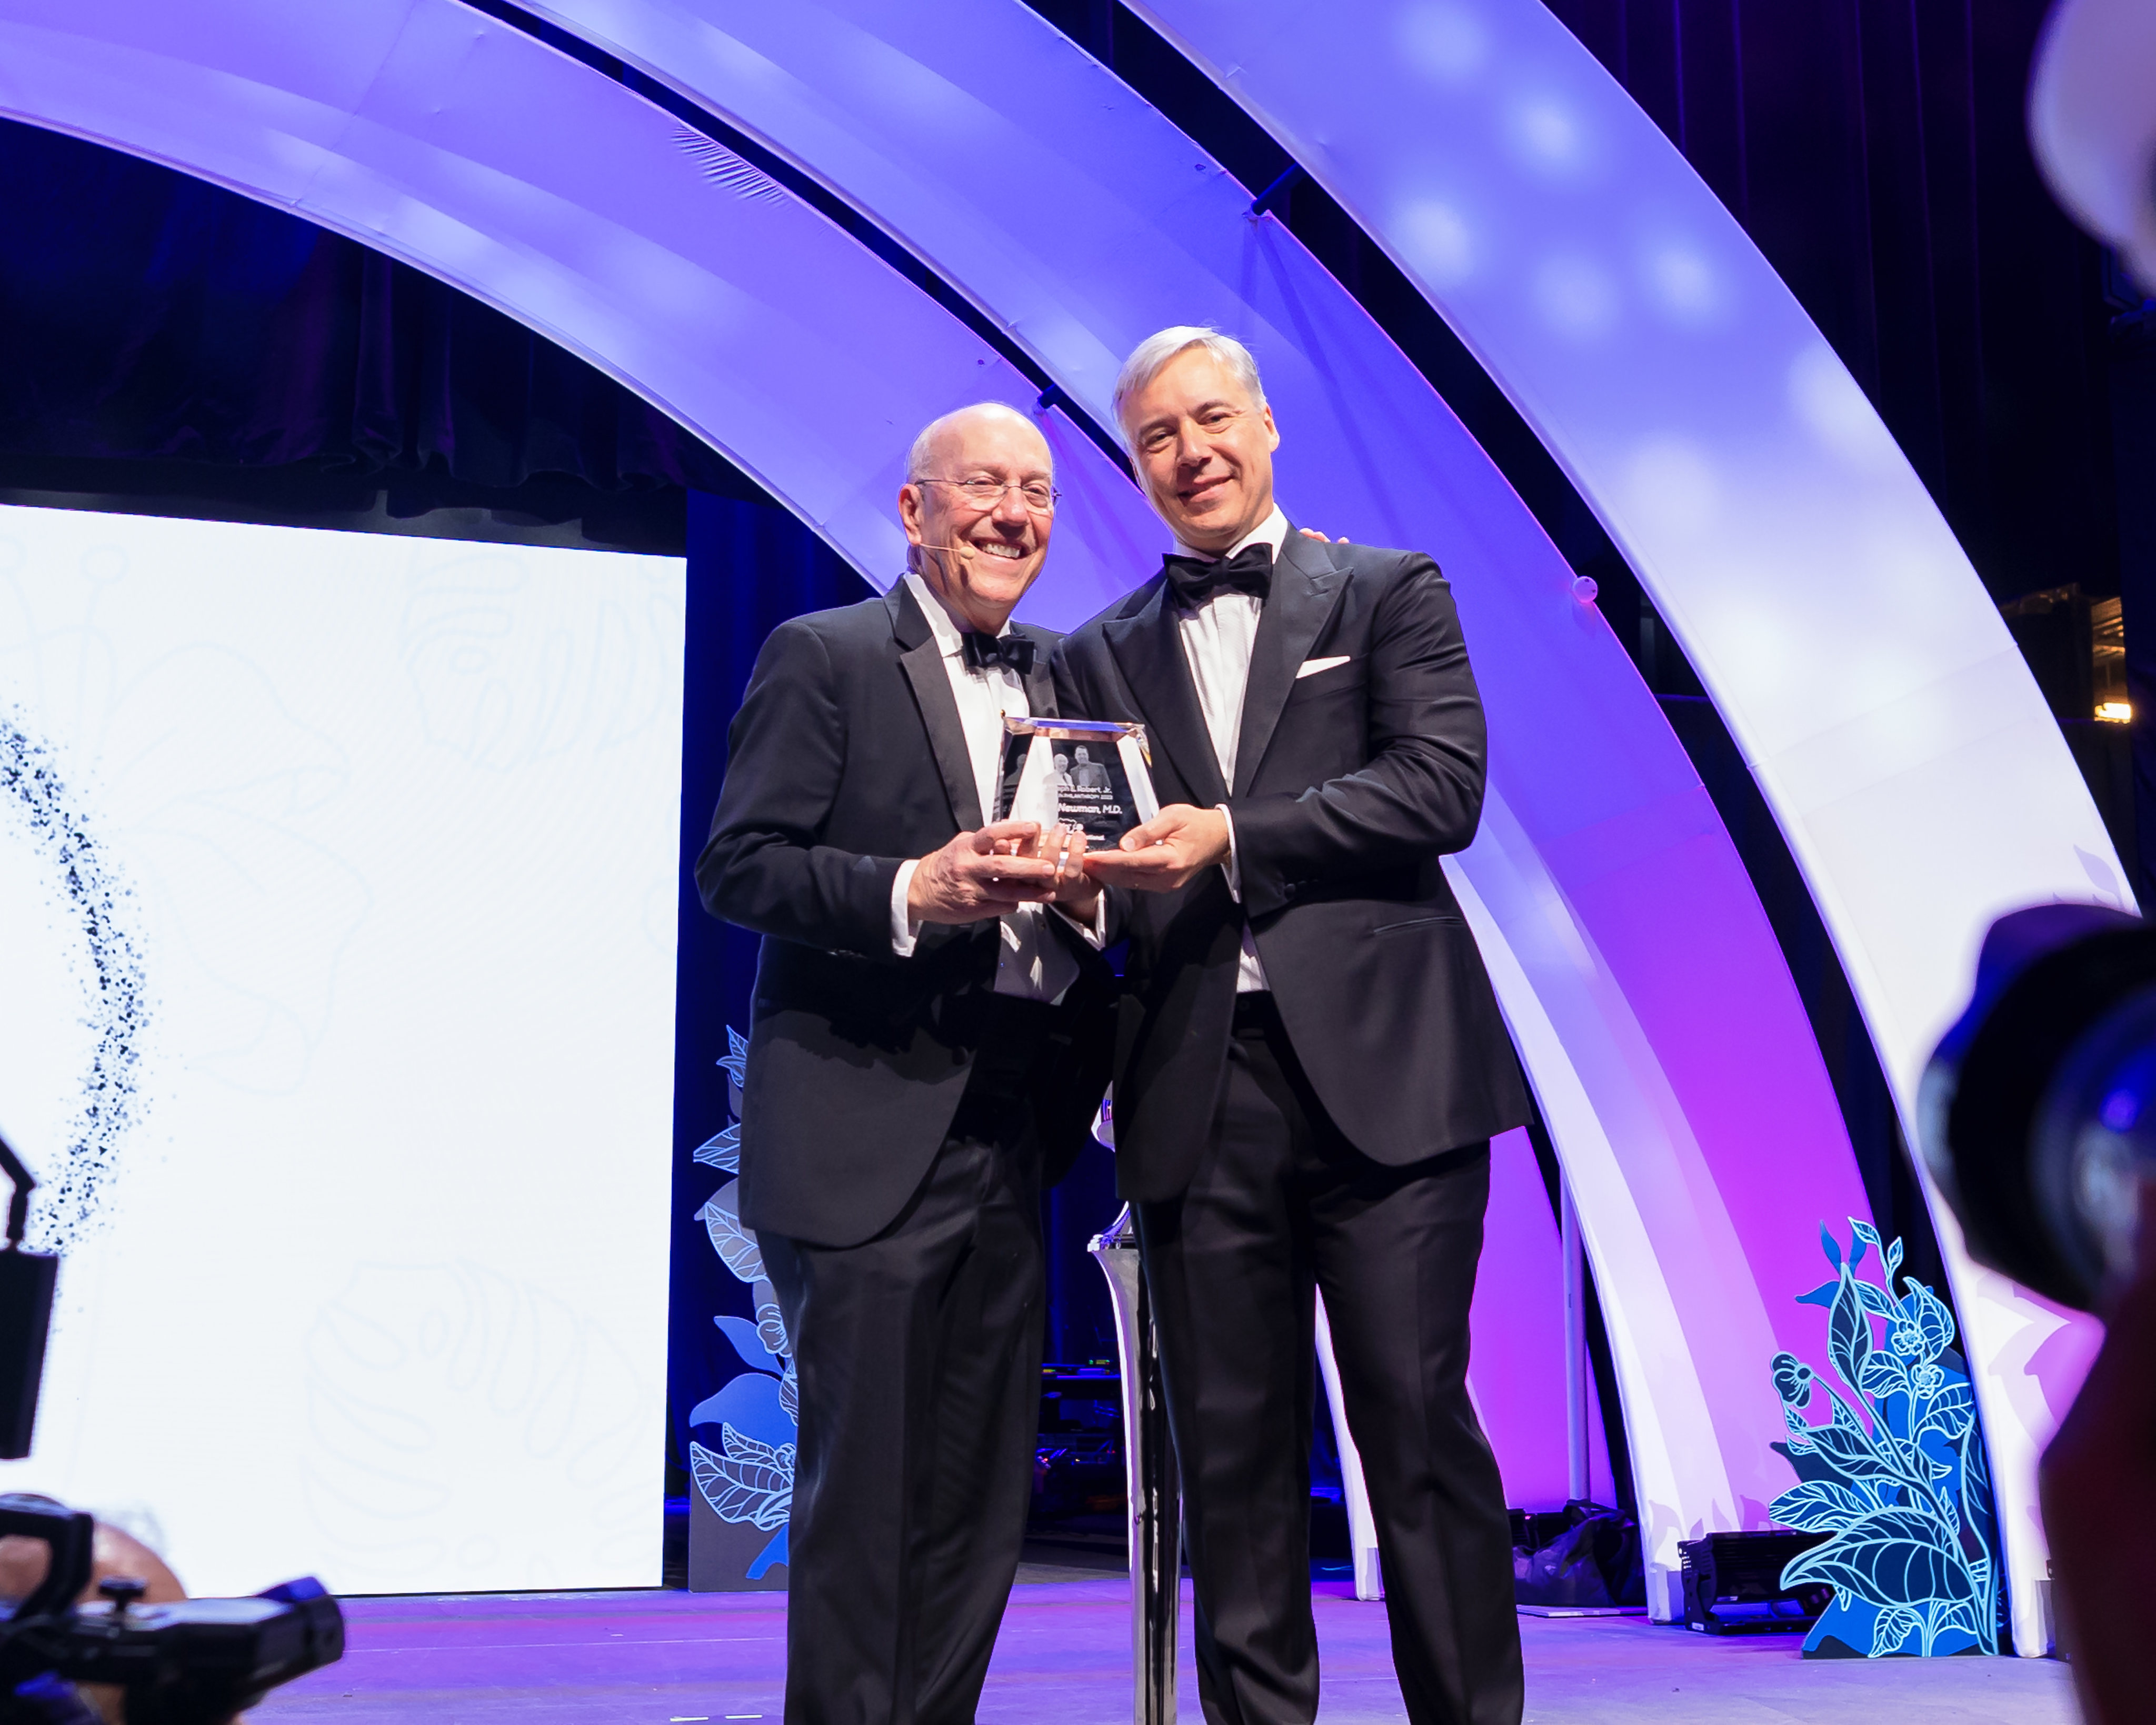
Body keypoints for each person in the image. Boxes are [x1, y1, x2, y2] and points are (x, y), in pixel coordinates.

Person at [1054, 328, 1531, 1725]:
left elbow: (1443, 787)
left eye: (1212, 419)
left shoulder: (1388, 591)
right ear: (1134, 463)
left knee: (1419, 1428)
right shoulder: (1099, 650)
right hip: (1201, 1088)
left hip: (1395, 1076)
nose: (1191, 450)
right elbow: (1102, 856)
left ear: (1266, 427)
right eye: (1157, 435)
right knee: (1235, 1459)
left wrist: (1234, 835)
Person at [697, 402, 1112, 1725]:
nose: (1011, 513)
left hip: (1010, 1130)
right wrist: (912, 889)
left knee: (978, 1506)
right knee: (862, 1502)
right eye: (981, 485)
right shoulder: (822, 655)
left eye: (1036, 491)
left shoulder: (1073, 679)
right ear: (913, 510)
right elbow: (741, 865)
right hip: (863, 1131)